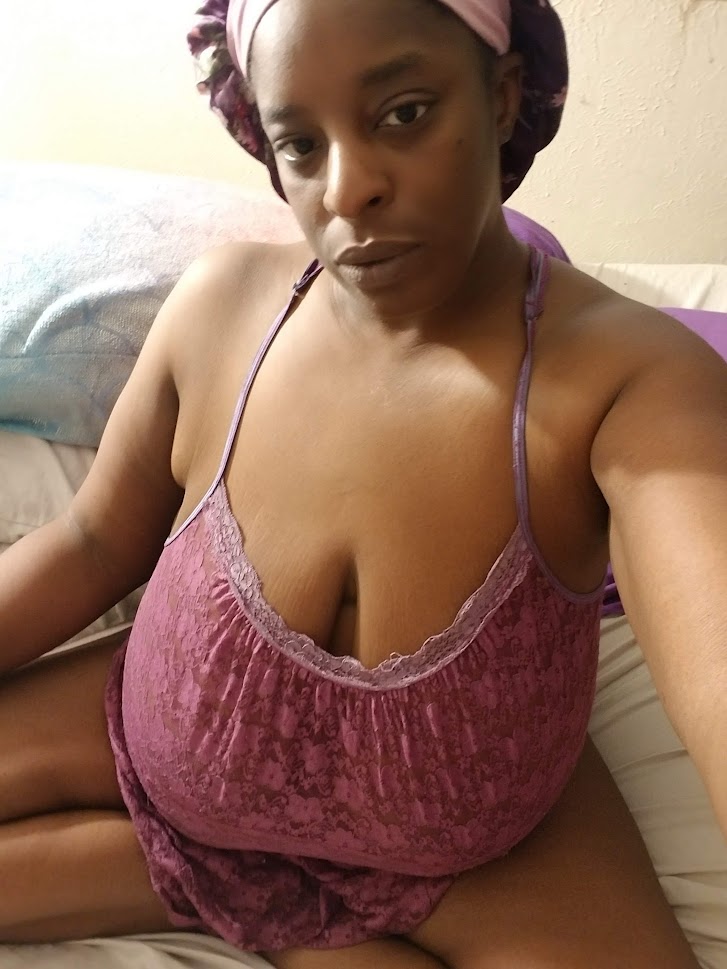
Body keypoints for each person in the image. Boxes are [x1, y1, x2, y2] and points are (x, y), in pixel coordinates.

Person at [0, 0, 724, 965]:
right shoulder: (221, 309)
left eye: (403, 114)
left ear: (502, 96)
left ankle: (215, 888)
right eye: (300, 143)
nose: (348, 190)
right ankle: (196, 874)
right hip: (158, 753)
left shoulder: (629, 379)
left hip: (474, 855)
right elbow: (92, 542)